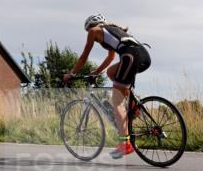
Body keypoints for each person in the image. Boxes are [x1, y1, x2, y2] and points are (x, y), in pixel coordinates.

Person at [63, 14, 151, 159]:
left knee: (117, 103)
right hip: (143, 56)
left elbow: (84, 56)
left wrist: (71, 74)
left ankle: (125, 145)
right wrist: (96, 72)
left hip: (130, 57)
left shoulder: (94, 31)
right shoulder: (112, 31)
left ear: (91, 26)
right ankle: (134, 106)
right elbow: (110, 58)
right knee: (111, 73)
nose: (92, 37)